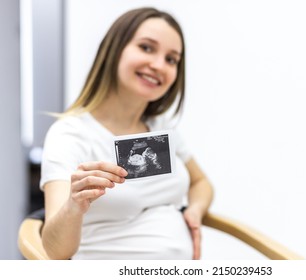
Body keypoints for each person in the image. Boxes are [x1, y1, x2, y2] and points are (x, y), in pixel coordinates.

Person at [40, 7, 213, 260]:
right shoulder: (70, 134)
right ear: (115, 49)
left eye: (171, 59)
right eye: (146, 48)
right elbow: (54, 251)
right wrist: (74, 206)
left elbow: (202, 183)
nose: (158, 65)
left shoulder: (160, 126)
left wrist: (194, 212)